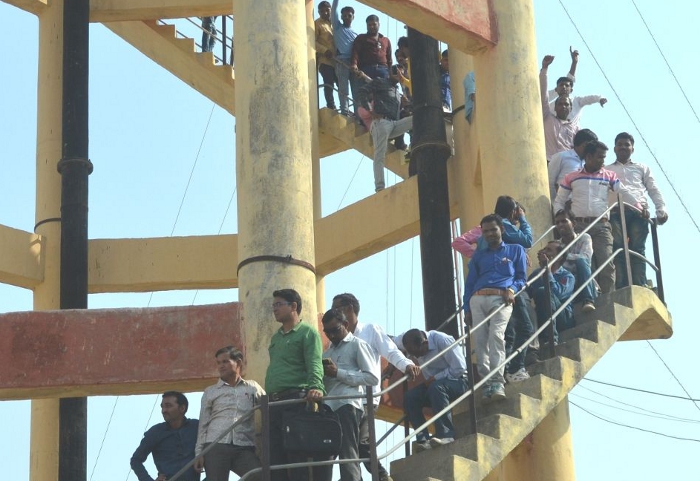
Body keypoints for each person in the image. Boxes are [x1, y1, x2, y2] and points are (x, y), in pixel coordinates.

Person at [332, 293, 419, 481]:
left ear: (349, 308)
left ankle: (381, 476)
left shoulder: (370, 330)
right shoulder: (338, 336)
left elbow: (391, 351)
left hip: (366, 397)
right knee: (347, 442)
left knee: (361, 442)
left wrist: (406, 365)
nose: (333, 312)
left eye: (336, 308)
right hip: (345, 399)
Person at [553, 140, 639, 294]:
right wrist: (561, 220)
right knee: (585, 264)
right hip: (578, 227)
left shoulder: (609, 175)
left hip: (601, 226)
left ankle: (609, 297)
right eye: (600, 157)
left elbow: (623, 192)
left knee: (606, 262)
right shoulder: (571, 177)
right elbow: (559, 200)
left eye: (604, 157)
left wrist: (639, 206)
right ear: (588, 156)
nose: (603, 161)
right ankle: (590, 297)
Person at [463, 214, 527, 402]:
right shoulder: (479, 256)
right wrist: (466, 308)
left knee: (496, 336)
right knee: (480, 342)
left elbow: (521, 278)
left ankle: (498, 381)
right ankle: (487, 384)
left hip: (502, 298)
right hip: (477, 299)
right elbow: (469, 283)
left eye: (493, 229)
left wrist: (512, 289)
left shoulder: (516, 250)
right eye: (486, 231)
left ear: (502, 229)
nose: (490, 234)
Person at [265, 288, 327, 481]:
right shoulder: (276, 337)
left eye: (278, 304)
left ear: (293, 306)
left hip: (295, 400)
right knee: (275, 458)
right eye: (273, 305)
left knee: (296, 455)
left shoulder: (307, 333)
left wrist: (316, 387)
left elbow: (314, 362)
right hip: (273, 403)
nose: (274, 309)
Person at [321, 308, 379, 481]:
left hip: (347, 404)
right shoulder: (327, 352)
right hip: (328, 406)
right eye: (327, 332)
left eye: (335, 330)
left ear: (345, 324)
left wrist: (338, 373)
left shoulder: (357, 344)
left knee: (348, 451)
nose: (331, 335)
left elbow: (372, 378)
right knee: (325, 453)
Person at [607, 132, 668, 288]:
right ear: (614, 148)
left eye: (626, 144)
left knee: (637, 249)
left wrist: (661, 209)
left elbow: (653, 189)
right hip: (615, 212)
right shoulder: (607, 170)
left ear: (632, 149)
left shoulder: (642, 168)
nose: (623, 147)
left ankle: (639, 285)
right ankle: (621, 287)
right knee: (618, 249)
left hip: (639, 212)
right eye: (620, 144)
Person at [194, 346, 264, 481]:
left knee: (259, 476)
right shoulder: (211, 391)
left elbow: (267, 407)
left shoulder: (252, 387)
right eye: (218, 363)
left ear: (238, 362)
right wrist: (199, 453)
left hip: (244, 446)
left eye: (225, 361)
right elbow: (203, 424)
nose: (221, 366)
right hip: (215, 446)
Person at [394, 328, 468, 452]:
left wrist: (436, 378)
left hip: (459, 381)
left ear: (425, 343)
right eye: (413, 354)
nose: (417, 357)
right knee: (410, 397)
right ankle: (423, 439)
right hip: (433, 385)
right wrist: (392, 366)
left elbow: (460, 368)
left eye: (418, 353)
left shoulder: (443, 340)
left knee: (436, 387)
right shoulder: (406, 341)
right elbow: (391, 345)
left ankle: (446, 435)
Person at [356, 72, 412, 192]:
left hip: (394, 124)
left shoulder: (397, 92)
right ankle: (380, 188)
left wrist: (406, 104)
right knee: (379, 155)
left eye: (400, 72)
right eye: (395, 71)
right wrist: (370, 110)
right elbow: (362, 91)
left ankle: (413, 149)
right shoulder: (381, 82)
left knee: (416, 118)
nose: (397, 73)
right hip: (381, 123)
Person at [130, 392, 200, 481]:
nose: (164, 410)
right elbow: (135, 460)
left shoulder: (196, 426)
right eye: (162, 407)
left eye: (168, 406)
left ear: (182, 408)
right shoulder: (155, 432)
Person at [527, 241, 575, 345]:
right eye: (544, 249)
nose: (544, 252)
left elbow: (558, 294)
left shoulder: (567, 276)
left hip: (563, 318)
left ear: (559, 257)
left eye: (549, 250)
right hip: (543, 315)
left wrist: (547, 272)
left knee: (543, 291)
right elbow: (526, 294)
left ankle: (551, 340)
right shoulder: (536, 273)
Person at [546, 47, 607, 123]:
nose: (564, 87)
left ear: (571, 90)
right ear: (556, 89)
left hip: (573, 130)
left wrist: (599, 99)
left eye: (567, 86)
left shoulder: (576, 101)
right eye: (561, 85)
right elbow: (542, 96)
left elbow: (590, 98)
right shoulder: (550, 107)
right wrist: (544, 68)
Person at [554, 209, 598, 313]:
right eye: (557, 223)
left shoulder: (584, 237)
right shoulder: (556, 245)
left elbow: (586, 258)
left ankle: (588, 300)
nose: (560, 225)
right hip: (568, 285)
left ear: (573, 223)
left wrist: (564, 256)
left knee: (581, 261)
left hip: (584, 282)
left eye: (564, 221)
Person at [540, 55, 578, 161]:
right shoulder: (548, 118)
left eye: (566, 104)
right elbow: (543, 94)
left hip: (567, 165)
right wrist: (544, 69)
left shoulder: (575, 129)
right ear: (555, 108)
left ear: (571, 108)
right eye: (560, 104)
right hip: (548, 161)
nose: (563, 106)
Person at [548, 128, 598, 200]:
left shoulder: (589, 164)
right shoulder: (561, 157)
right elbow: (549, 182)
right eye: (593, 147)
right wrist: (555, 204)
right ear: (585, 144)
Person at [331, 0, 358, 115]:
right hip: (341, 61)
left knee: (356, 89)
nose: (347, 17)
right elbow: (334, 10)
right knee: (343, 88)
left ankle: (358, 113)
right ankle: (345, 111)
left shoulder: (356, 34)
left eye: (349, 15)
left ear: (353, 17)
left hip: (353, 63)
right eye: (344, 15)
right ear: (341, 17)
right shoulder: (337, 27)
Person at [350, 15, 392, 80]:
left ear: (379, 25)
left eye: (374, 24)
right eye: (369, 25)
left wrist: (391, 73)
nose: (372, 27)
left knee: (384, 86)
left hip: (383, 70)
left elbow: (389, 58)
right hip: (366, 70)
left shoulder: (385, 40)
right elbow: (355, 52)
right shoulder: (361, 38)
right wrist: (354, 64)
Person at [315, 1, 337, 110]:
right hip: (325, 60)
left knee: (342, 86)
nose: (325, 13)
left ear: (331, 10)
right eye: (322, 11)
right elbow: (312, 41)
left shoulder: (336, 23)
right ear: (319, 12)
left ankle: (344, 108)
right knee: (329, 83)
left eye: (327, 10)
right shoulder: (317, 24)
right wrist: (324, 50)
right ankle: (331, 106)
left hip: (338, 61)